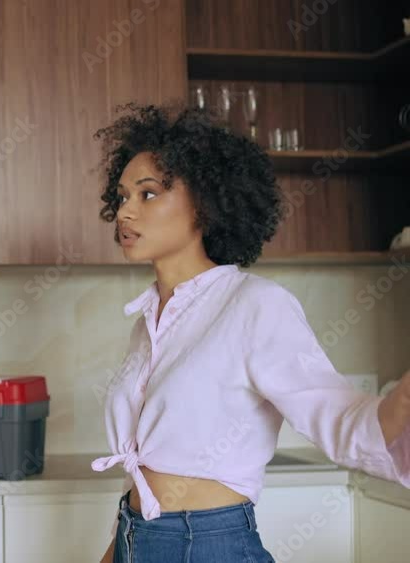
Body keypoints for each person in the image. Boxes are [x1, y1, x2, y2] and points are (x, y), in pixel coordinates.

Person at [89, 104, 410, 563]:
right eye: (122, 197)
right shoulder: (147, 322)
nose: (125, 212)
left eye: (148, 194)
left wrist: (398, 405)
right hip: (134, 537)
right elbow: (142, 468)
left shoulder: (255, 304)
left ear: (203, 204)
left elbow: (335, 415)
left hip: (208, 544)